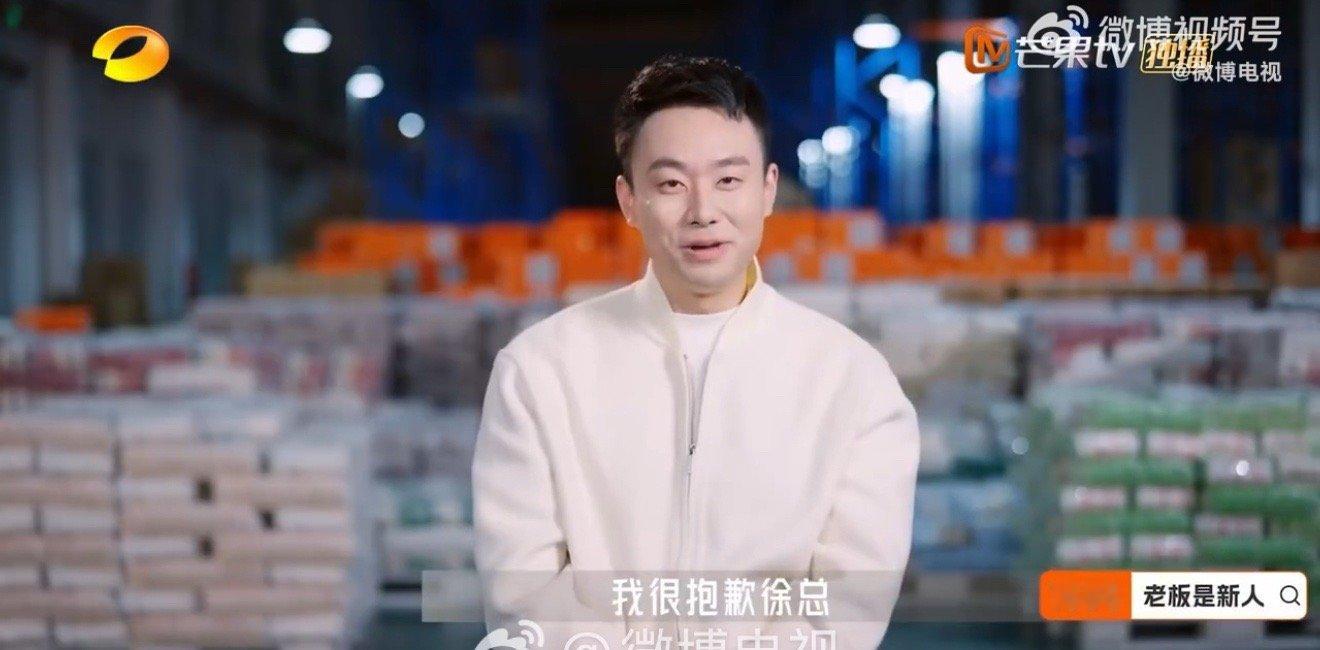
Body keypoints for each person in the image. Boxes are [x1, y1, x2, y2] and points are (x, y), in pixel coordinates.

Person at [473, 54, 919, 649]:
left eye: (728, 180)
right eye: (671, 184)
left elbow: (846, 607)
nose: (703, 211)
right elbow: (523, 592)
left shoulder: (854, 382)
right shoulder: (538, 371)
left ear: (768, 190)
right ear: (629, 200)